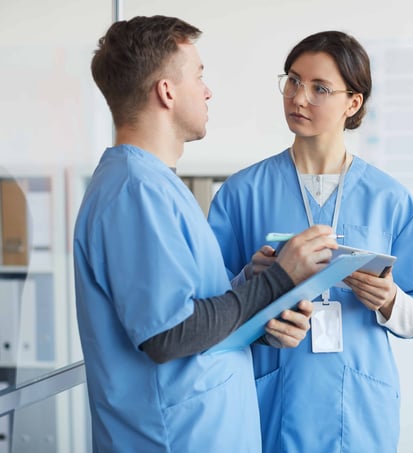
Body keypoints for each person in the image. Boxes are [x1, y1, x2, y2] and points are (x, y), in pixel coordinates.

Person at [73, 16, 338, 452]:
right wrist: (278, 280)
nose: (208, 90)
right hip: (171, 438)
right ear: (166, 91)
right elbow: (167, 334)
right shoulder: (135, 192)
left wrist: (253, 289)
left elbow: (190, 310)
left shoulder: (154, 186)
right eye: (198, 76)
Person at [208, 30, 413, 452]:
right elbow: (208, 307)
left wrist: (388, 298)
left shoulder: (390, 199)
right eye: (293, 81)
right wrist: (250, 276)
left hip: (358, 402)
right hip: (273, 392)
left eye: (320, 88)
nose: (299, 98)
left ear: (352, 103)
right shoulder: (241, 193)